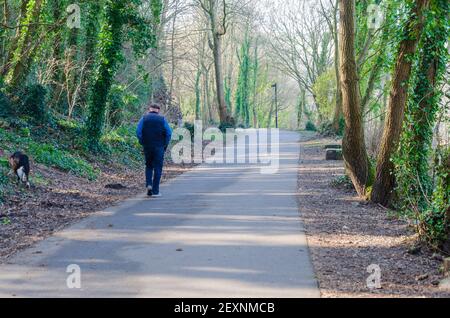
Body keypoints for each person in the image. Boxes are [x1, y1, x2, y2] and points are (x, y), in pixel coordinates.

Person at [136, 103, 172, 197]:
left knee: (148, 166)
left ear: (149, 109)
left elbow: (138, 131)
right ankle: (155, 191)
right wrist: (165, 144)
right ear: (158, 110)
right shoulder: (162, 119)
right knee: (158, 167)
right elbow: (168, 133)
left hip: (147, 146)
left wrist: (142, 142)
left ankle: (149, 185)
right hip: (159, 146)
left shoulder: (144, 118)